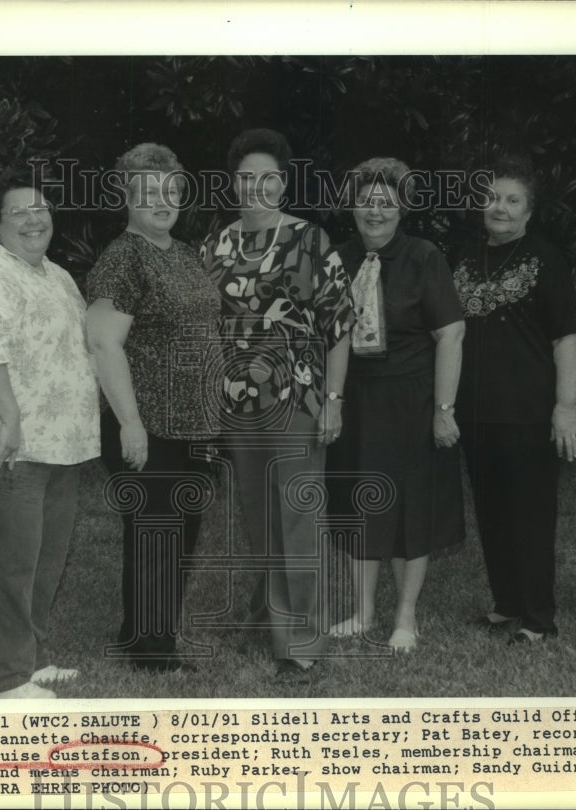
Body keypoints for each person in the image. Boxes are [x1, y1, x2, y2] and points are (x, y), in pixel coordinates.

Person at [201, 128, 355, 683]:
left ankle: (301, 645)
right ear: (233, 182)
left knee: (297, 518)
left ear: (283, 182)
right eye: (246, 177)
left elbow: (339, 327)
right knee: (258, 516)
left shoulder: (310, 241)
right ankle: (271, 616)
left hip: (297, 400)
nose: (256, 187)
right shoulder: (216, 246)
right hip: (237, 406)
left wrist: (333, 402)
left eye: (268, 177)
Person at [0, 171, 100, 698]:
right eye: (19, 212)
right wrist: (9, 419)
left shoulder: (54, 274)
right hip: (13, 444)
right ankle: (5, 678)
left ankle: (30, 659)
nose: (34, 220)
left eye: (41, 209)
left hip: (65, 444)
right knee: (10, 561)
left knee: (44, 559)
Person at [86, 143, 222, 673]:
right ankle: (151, 651)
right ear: (127, 196)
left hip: (194, 424)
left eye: (172, 190)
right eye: (149, 192)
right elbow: (103, 343)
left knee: (176, 531)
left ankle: (142, 634)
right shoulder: (122, 258)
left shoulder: (183, 252)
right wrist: (131, 423)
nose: (164, 202)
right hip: (148, 423)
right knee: (156, 532)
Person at [325, 158, 465, 652]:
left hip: (412, 400)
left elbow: (450, 334)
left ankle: (405, 616)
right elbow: (330, 334)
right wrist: (332, 401)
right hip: (357, 399)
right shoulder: (336, 258)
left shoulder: (425, 257)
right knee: (359, 505)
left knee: (411, 510)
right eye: (366, 201)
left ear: (402, 208)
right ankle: (362, 612)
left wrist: (444, 409)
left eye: (386, 202)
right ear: (353, 205)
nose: (375, 211)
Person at [452, 155, 576, 643]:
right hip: (477, 413)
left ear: (529, 213)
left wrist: (564, 406)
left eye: (512, 200)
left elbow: (566, 337)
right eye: (492, 198)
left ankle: (538, 620)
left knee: (529, 515)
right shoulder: (466, 258)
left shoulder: (546, 259)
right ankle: (506, 605)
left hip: (528, 413)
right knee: (491, 511)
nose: (499, 208)